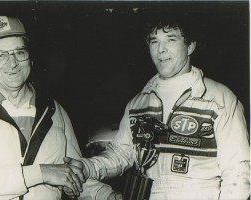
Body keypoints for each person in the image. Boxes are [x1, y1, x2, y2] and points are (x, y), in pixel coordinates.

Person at [66, 17, 250, 199]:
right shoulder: (138, 104)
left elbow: (238, 171)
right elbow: (121, 154)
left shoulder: (219, 99)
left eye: (171, 39)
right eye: (154, 41)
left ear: (190, 46)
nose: (161, 50)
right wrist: (87, 167)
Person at [0, 16, 121, 200]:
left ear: (30, 57)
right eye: (0, 55)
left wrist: (105, 195)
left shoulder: (55, 110)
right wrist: (43, 173)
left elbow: (73, 174)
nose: (12, 63)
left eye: (19, 52)